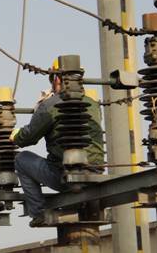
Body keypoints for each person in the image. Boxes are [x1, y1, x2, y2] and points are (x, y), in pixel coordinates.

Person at [10, 59, 104, 227]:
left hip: (64, 177)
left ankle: (38, 213)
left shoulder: (50, 105)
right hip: (96, 174)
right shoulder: (93, 104)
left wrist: (16, 135)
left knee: (21, 159)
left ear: (57, 78)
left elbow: (28, 138)